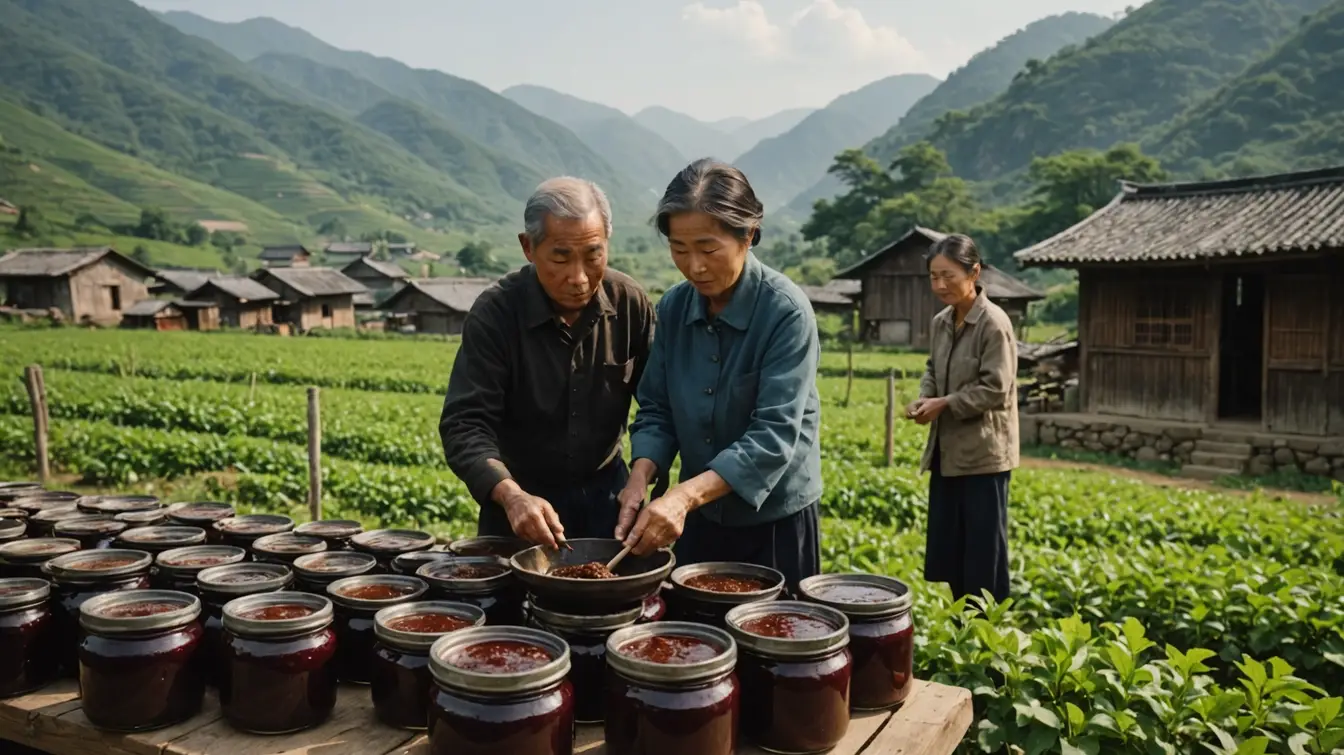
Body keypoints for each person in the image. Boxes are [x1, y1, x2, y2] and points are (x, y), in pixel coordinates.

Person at [615, 159, 822, 590]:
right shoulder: (673, 307)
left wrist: (684, 495)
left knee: (774, 647)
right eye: (679, 249)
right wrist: (639, 479)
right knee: (697, 643)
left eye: (708, 249)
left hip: (773, 526)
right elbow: (657, 407)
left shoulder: (785, 312)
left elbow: (773, 436)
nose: (694, 266)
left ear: (748, 235)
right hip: (698, 519)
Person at [439, 177, 655, 549]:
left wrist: (641, 476)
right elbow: (465, 425)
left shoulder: (629, 304)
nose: (579, 277)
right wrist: (510, 495)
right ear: (528, 247)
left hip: (609, 505)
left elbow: (657, 407)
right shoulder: (496, 314)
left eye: (593, 256)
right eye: (560, 257)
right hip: (519, 508)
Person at [905, 234, 1018, 605]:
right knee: (952, 549)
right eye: (934, 276)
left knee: (983, 555)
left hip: (983, 458)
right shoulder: (941, 322)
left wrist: (946, 404)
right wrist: (925, 398)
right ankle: (962, 629)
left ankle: (989, 636)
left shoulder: (993, 323)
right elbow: (931, 369)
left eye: (948, 276)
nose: (939, 285)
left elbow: (995, 388)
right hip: (947, 454)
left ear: (974, 272)